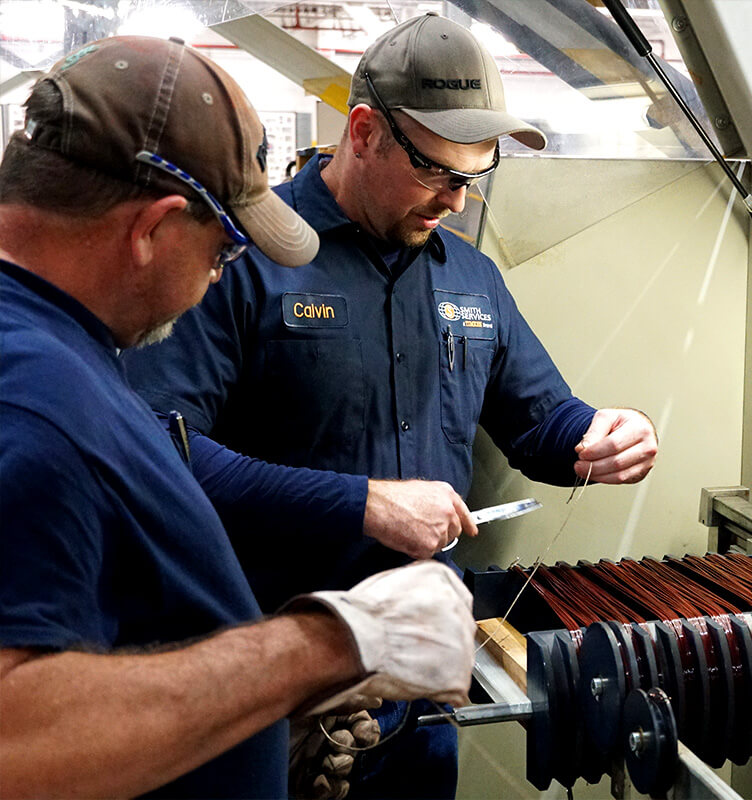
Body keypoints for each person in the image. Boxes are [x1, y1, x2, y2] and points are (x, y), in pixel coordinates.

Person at [123, 12, 658, 798]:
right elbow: (159, 459)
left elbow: (542, 424)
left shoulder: (472, 280)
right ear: (365, 132)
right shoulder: (242, 261)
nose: (455, 200)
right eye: (436, 172)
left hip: (416, 707)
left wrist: (607, 436)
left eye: (474, 178)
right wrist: (360, 505)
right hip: (270, 699)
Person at [0, 36, 475, 800]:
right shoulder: (35, 405)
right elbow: (15, 739)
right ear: (151, 230)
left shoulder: (58, 350)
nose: (219, 278)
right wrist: (328, 644)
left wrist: (254, 715)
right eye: (224, 252)